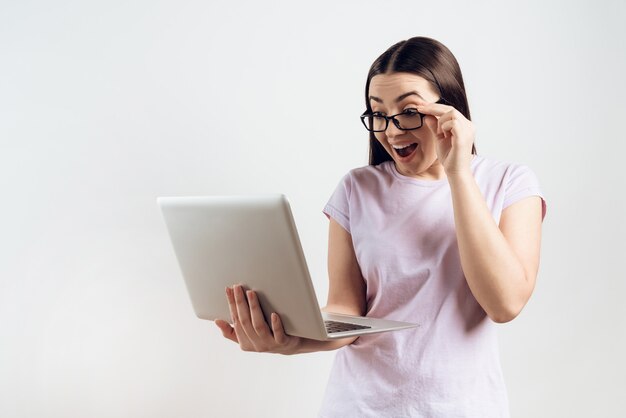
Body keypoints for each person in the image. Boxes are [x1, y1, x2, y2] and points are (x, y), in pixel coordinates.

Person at [215, 36, 546, 417]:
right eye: (378, 114)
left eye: (408, 111)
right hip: (358, 406)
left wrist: (458, 172)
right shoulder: (357, 189)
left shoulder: (509, 183)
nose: (391, 131)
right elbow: (348, 314)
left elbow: (504, 303)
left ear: (449, 110)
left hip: (463, 407)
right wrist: (290, 339)